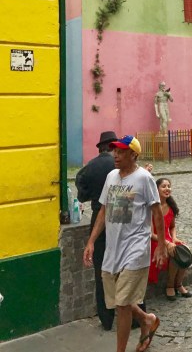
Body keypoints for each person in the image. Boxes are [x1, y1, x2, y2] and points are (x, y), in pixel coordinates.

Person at [83, 135, 167, 352]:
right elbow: (103, 210)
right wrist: (91, 241)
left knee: (121, 305)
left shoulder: (144, 178)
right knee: (119, 299)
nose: (116, 155)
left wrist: (161, 244)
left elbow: (157, 211)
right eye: (115, 151)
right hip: (113, 248)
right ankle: (146, 319)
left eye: (120, 152)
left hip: (136, 247)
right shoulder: (111, 176)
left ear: (133, 154)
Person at [76, 130, 118, 330]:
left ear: (100, 147)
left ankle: (106, 318)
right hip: (121, 215)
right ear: (113, 147)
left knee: (102, 269)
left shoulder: (89, 168)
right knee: (125, 265)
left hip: (97, 217)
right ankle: (135, 316)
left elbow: (81, 195)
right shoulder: (118, 165)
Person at [149, 178, 192, 301]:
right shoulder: (151, 208)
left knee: (185, 250)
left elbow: (172, 226)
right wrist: (166, 243)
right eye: (163, 186)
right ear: (156, 189)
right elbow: (150, 233)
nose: (167, 188)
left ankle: (178, 284)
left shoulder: (171, 206)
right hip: (155, 241)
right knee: (174, 253)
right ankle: (170, 285)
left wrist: (174, 238)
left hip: (167, 239)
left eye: (169, 186)